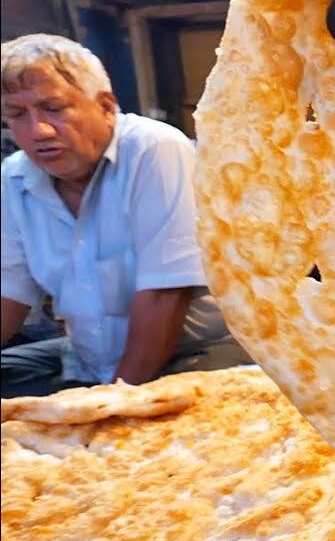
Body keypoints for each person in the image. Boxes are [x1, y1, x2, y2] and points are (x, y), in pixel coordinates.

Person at [1, 34, 250, 398]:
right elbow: (9, 292)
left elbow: (166, 294)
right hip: (88, 355)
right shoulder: (15, 177)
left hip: (191, 352)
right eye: (17, 115)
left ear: (105, 106)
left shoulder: (155, 149)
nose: (38, 130)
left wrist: (111, 403)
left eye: (54, 108)